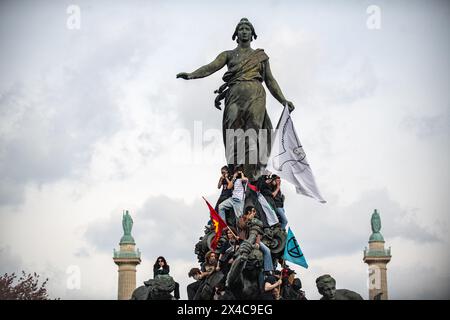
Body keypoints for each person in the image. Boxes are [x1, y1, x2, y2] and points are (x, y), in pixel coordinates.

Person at [177, 18, 295, 180]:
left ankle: (251, 175)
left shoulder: (261, 56)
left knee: (253, 131)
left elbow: (270, 80)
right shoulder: (228, 55)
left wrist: (283, 100)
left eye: (247, 29)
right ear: (236, 34)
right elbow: (211, 66)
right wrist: (191, 75)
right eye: (241, 29)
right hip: (234, 94)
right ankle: (236, 172)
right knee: (233, 131)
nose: (244, 31)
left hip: (256, 93)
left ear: (252, 34)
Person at [237, 206, 274, 274]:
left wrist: (257, 242)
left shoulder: (255, 220)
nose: (255, 213)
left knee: (267, 250)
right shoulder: (241, 218)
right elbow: (242, 226)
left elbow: (258, 232)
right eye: (253, 211)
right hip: (244, 240)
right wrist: (249, 219)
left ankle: (268, 270)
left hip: (255, 240)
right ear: (249, 212)